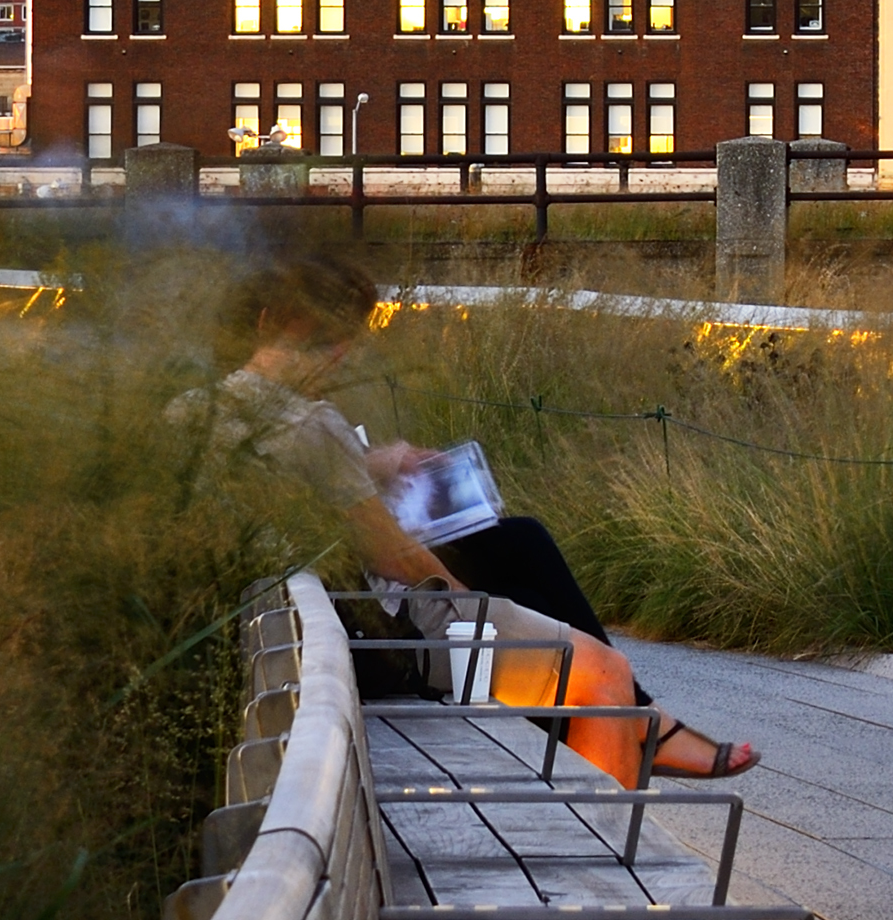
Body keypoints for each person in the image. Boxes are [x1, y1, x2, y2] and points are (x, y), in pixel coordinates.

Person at [210, 250, 753, 783]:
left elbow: (310, 484)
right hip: (382, 641)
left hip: (302, 635)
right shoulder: (314, 422)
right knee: (602, 674)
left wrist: (374, 464)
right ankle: (627, 781)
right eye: (334, 340)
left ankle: (641, 732)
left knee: (520, 550)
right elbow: (393, 557)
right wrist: (470, 605)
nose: (340, 357)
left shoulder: (200, 411)